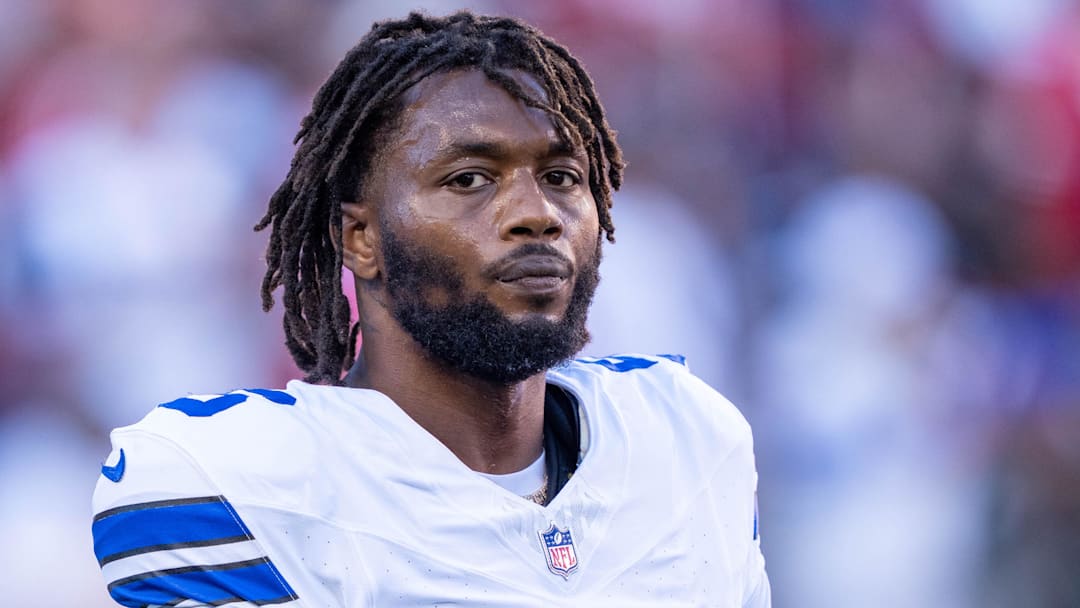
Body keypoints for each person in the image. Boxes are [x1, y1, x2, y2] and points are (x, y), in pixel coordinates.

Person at [90, 11, 770, 607]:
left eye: (562, 177)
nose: (536, 215)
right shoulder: (235, 485)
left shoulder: (686, 435)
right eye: (469, 179)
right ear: (360, 238)